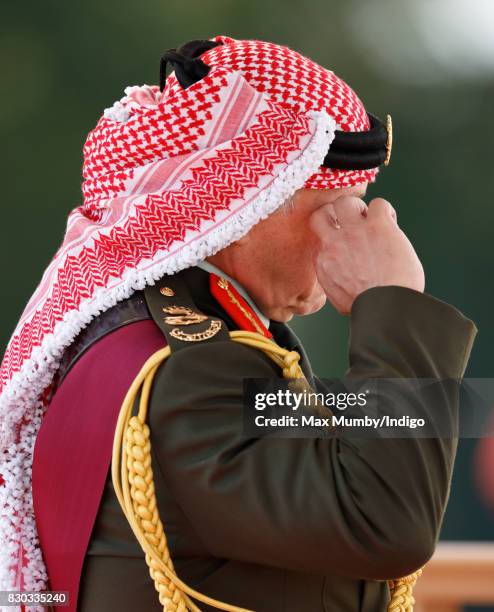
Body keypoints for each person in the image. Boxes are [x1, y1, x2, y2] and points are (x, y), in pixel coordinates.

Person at [0, 36, 477, 612]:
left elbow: (330, 440)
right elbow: (386, 525)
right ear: (244, 205)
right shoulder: (193, 371)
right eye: (338, 213)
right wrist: (394, 307)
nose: (359, 235)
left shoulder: (170, 336)